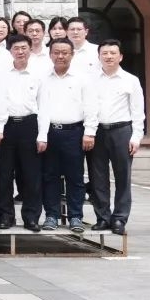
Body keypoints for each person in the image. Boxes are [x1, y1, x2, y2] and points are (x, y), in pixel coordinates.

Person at [86, 39, 145, 236]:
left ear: (120, 56)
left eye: (113, 53)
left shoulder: (131, 80)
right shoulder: (90, 79)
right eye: (105, 53)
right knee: (97, 177)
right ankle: (103, 217)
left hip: (122, 131)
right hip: (97, 132)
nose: (109, 56)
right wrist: (88, 132)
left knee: (123, 177)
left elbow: (138, 111)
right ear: (99, 56)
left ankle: (120, 218)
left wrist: (136, 137)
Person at [37, 38, 91, 233]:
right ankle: (51, 215)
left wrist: (89, 132)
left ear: (72, 54)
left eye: (65, 52)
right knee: (50, 175)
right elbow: (41, 109)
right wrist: (42, 135)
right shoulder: (43, 78)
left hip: (74, 133)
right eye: (56, 52)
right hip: (50, 132)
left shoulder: (82, 78)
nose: (60, 56)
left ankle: (76, 216)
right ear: (50, 54)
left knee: (74, 176)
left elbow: (91, 107)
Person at [0, 34, 42, 231]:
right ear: (10, 51)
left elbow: (44, 104)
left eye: (24, 48)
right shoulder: (2, 74)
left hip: (30, 125)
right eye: (16, 48)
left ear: (30, 49)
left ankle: (31, 217)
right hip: (7, 126)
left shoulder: (38, 74)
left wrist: (42, 134)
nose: (20, 52)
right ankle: (6, 216)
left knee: (31, 174)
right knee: (4, 174)